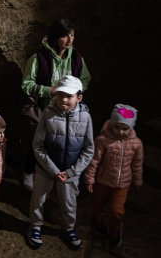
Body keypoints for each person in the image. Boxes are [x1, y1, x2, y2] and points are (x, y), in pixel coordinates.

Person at [21, 19, 92, 191]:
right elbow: (26, 85)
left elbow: (85, 79)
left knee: (64, 145)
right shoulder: (39, 58)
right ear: (54, 37)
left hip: (68, 111)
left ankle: (62, 177)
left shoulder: (75, 58)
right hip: (45, 110)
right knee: (39, 143)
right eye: (64, 36)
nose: (69, 40)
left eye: (72, 35)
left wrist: (71, 93)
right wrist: (50, 91)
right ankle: (30, 172)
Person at [27, 75, 94, 251]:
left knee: (69, 202)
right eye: (60, 94)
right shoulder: (48, 114)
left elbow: (88, 149)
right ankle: (35, 226)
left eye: (69, 96)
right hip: (46, 169)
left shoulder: (86, 118)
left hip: (70, 171)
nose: (63, 99)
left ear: (79, 97)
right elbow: (38, 145)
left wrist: (72, 172)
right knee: (38, 198)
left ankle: (69, 228)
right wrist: (51, 168)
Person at [83, 104, 143, 248]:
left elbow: (137, 163)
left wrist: (137, 180)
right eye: (117, 127)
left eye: (125, 128)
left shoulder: (136, 144)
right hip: (103, 181)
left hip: (122, 185)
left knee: (117, 211)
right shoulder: (102, 140)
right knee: (97, 206)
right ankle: (96, 220)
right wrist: (90, 179)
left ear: (131, 127)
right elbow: (94, 161)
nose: (120, 132)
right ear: (112, 124)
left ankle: (115, 229)